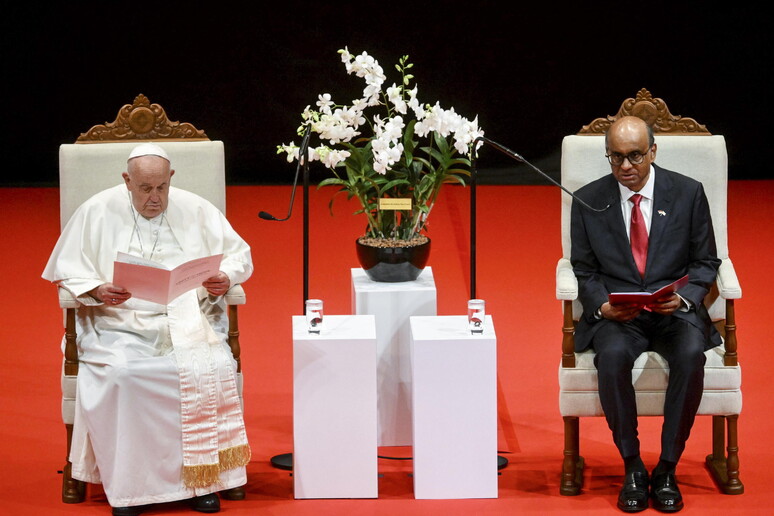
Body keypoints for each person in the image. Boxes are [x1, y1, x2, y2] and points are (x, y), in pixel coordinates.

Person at [43, 143, 253, 516]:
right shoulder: (95, 211)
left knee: (202, 369)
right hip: (117, 323)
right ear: (127, 180)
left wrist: (225, 276)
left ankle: (201, 482)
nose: (155, 198)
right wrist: (97, 289)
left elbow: (239, 255)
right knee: (125, 375)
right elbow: (67, 271)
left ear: (171, 179)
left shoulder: (197, 208)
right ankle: (132, 490)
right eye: (144, 189)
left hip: (188, 318)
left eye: (161, 188)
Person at [570, 116, 721, 513]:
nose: (625, 167)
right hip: (620, 317)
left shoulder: (688, 194)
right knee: (613, 357)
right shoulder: (587, 199)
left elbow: (706, 261)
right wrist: (602, 305)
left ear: (653, 151)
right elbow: (583, 269)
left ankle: (667, 467)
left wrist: (686, 298)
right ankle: (633, 465)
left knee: (691, 355)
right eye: (616, 157)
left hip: (673, 313)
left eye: (635, 156)